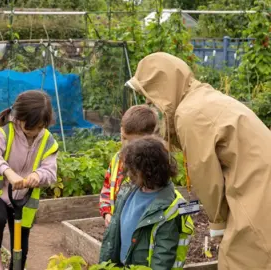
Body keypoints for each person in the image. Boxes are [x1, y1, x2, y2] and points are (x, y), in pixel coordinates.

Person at [126, 52, 271, 269]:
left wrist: (217, 222)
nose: (149, 102)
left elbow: (206, 176)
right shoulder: (202, 99)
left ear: (163, 86)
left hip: (257, 186)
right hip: (257, 178)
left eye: (151, 95)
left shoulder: (189, 114)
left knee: (242, 259)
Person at [0, 90, 59, 270]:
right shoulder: (5, 133)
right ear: (18, 118)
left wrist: (36, 176)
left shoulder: (47, 140)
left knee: (21, 242)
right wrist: (8, 172)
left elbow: (50, 171)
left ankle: (16, 267)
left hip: (24, 199)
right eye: (30, 127)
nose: (35, 132)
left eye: (40, 127)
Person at [99, 136, 194, 270]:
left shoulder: (168, 208)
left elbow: (163, 255)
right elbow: (113, 234)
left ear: (147, 171)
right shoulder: (129, 192)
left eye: (133, 170)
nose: (129, 173)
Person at [99, 105, 158, 226]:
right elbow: (106, 189)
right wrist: (107, 213)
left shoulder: (152, 166)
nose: (126, 144)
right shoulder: (117, 159)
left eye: (132, 142)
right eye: (123, 138)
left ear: (148, 140)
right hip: (117, 224)